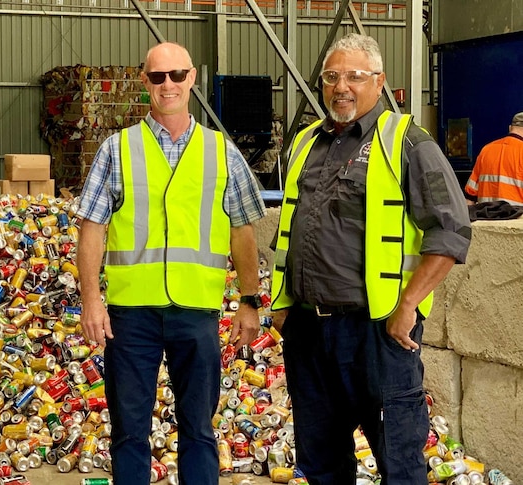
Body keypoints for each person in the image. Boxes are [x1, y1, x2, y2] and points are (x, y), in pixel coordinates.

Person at [270, 33, 471, 485]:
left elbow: (452, 230)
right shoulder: (304, 143)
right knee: (321, 464)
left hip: (376, 332)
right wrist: (282, 303)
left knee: (398, 462)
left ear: (379, 82)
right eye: (331, 76)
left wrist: (407, 307)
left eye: (354, 76)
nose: (341, 86)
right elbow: (288, 232)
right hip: (309, 331)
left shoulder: (407, 143)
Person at [76, 42, 266, 484]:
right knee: (129, 433)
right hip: (129, 316)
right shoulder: (116, 149)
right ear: (145, 81)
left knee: (199, 431)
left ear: (193, 78)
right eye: (158, 77)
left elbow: (243, 232)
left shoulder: (222, 153)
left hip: (196, 313)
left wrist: (250, 300)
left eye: (177, 75)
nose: (168, 85)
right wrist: (91, 301)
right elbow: (92, 230)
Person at [464, 112, 523, 205]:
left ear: (510, 128)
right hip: (517, 218)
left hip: (485, 217)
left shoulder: (486, 150)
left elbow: (470, 197)